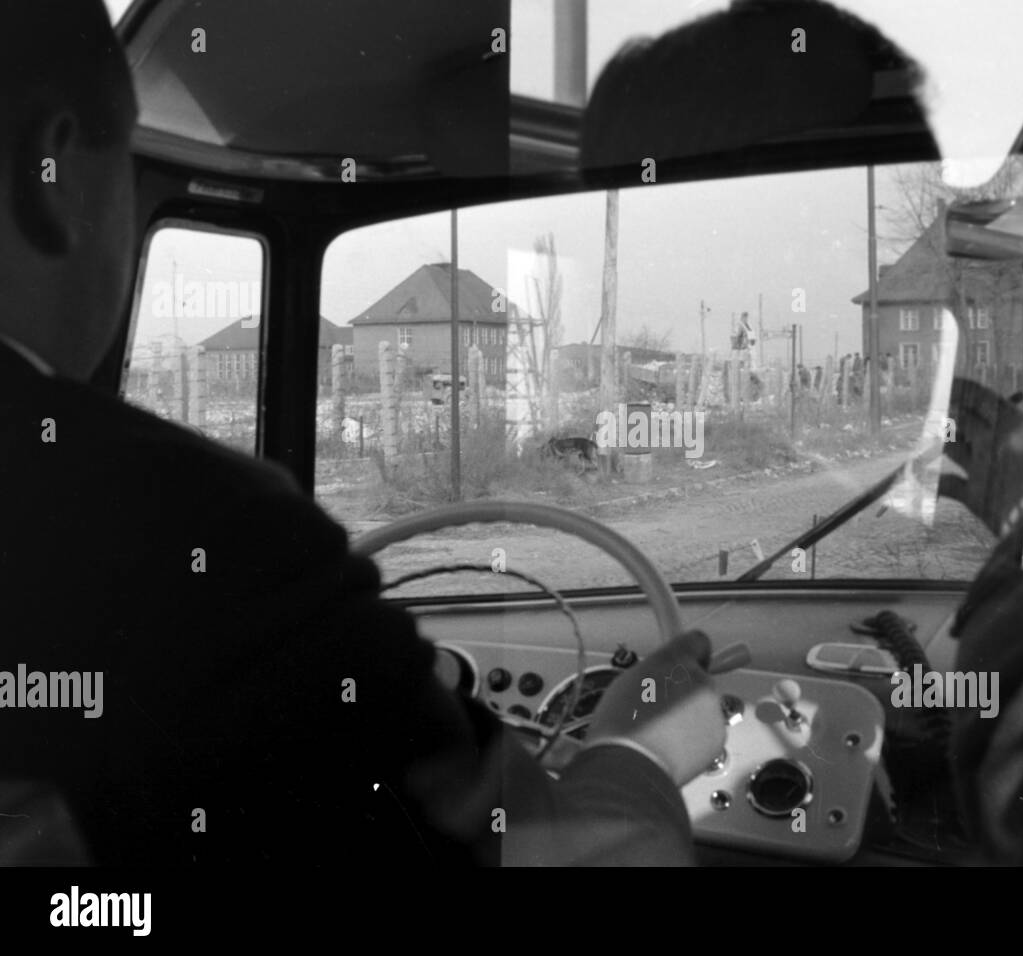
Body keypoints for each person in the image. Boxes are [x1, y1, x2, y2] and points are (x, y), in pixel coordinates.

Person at [0, 0, 725, 866]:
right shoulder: (197, 537)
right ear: (49, 169)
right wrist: (639, 747)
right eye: (124, 174)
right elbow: (581, 856)